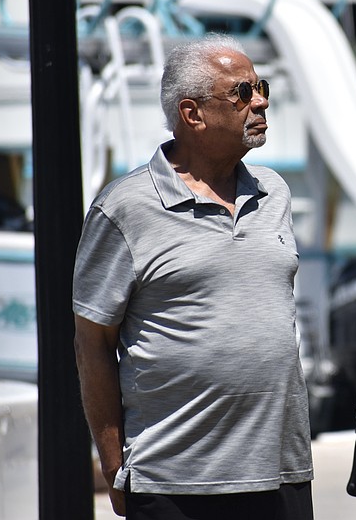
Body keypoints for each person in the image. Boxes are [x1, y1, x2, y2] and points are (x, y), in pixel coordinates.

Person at [73, 33, 313, 520]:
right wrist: (114, 465)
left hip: (281, 473)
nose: (260, 101)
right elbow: (92, 343)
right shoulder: (124, 208)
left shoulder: (274, 192)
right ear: (193, 113)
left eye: (261, 87)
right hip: (173, 482)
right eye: (242, 92)